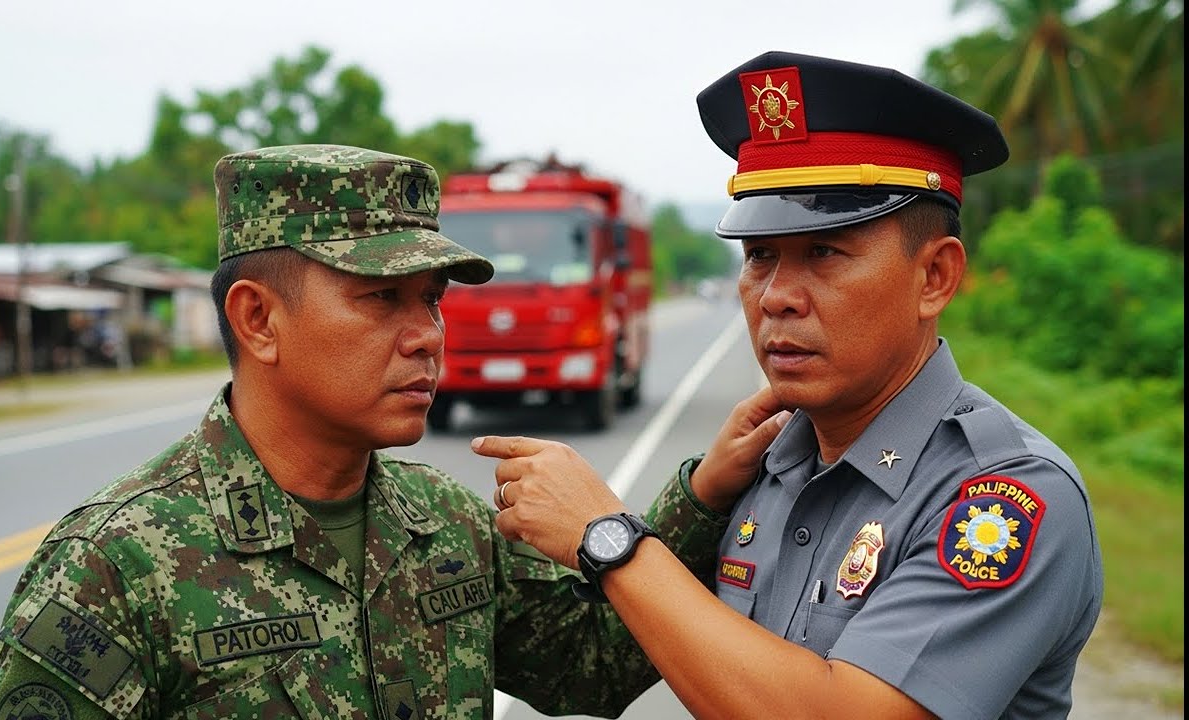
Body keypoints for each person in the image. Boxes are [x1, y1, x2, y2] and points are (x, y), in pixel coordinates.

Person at [0, 144, 747, 719]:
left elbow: (595, 666)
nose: (429, 335)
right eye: (381, 299)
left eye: (432, 298)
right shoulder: (118, 565)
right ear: (258, 319)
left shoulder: (444, 523)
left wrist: (703, 495)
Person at [472, 51, 1103, 720]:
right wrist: (698, 498)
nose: (776, 297)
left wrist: (610, 539)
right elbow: (600, 658)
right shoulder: (763, 467)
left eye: (824, 252)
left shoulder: (1002, 500)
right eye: (760, 256)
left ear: (935, 278)